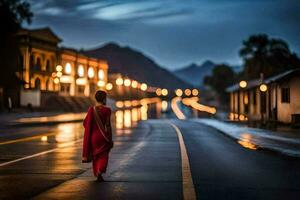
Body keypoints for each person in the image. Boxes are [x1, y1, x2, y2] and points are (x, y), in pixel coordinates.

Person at [82, 90, 113, 181]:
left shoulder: (91, 110)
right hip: (103, 137)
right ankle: (100, 170)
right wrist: (110, 139)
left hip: (93, 137)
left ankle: (97, 173)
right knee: (103, 155)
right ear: (104, 99)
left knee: (96, 156)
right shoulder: (107, 110)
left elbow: (85, 123)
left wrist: (92, 127)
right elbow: (108, 125)